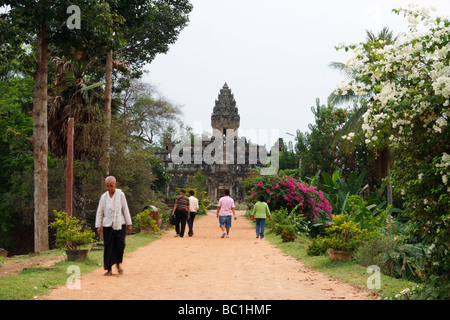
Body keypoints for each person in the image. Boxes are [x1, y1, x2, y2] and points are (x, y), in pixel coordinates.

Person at [95, 176, 132, 276]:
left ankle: (118, 264)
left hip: (120, 224)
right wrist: (99, 226)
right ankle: (109, 269)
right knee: (108, 246)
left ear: (115, 184)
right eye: (107, 186)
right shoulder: (104, 197)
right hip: (107, 225)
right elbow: (100, 212)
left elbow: (125, 209)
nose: (109, 188)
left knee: (120, 245)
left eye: (111, 186)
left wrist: (129, 224)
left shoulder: (121, 195)